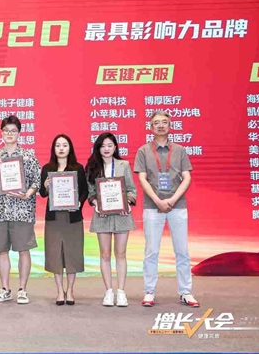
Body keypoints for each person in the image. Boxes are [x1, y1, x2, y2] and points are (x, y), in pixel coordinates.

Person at [134, 111, 199, 308]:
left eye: (164, 122)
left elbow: (187, 177)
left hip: (177, 206)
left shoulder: (180, 150)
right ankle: (149, 292)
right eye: (156, 123)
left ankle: (186, 292)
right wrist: (157, 201)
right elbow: (142, 179)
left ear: (170, 126)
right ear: (150, 127)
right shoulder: (143, 151)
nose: (161, 125)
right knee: (151, 251)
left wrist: (172, 199)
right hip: (152, 207)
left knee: (182, 251)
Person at [0, 115, 41, 304]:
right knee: (2, 250)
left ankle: (22, 290)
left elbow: (37, 180)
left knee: (23, 250)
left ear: (19, 133)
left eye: (13, 131)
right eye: (6, 130)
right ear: (1, 132)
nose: (9, 134)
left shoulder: (28, 156)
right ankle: (5, 289)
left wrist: (28, 194)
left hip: (22, 210)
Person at [85, 132, 137, 307]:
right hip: (102, 215)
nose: (106, 149)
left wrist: (127, 202)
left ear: (115, 147)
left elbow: (131, 189)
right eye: (103, 146)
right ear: (98, 148)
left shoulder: (124, 165)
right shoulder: (92, 167)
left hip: (122, 215)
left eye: (110, 145)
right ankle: (108, 291)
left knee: (121, 254)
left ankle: (121, 292)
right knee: (105, 254)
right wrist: (96, 203)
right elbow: (90, 192)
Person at [39, 134, 88, 306]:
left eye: (64, 145)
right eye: (58, 145)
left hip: (72, 217)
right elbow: (43, 193)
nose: (61, 148)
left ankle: (71, 290)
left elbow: (84, 191)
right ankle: (60, 291)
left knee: (72, 253)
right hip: (54, 218)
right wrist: (45, 186)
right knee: (55, 255)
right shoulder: (47, 168)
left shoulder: (78, 168)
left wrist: (79, 203)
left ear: (70, 148)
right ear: (53, 148)